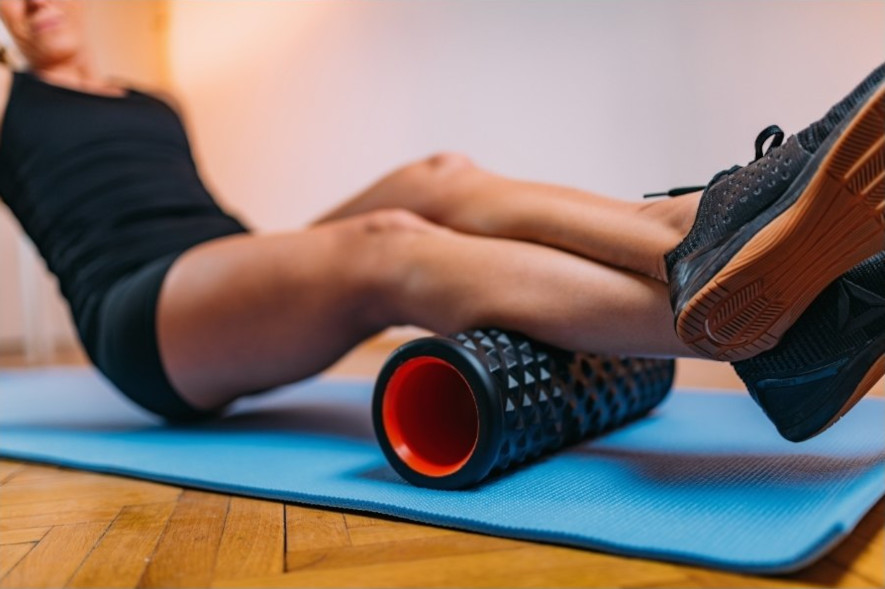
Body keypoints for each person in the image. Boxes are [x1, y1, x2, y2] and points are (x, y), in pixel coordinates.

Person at [0, 0, 882, 443]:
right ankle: (768, 311)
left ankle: (698, 233)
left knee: (437, 179)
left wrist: (274, 256)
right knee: (391, 252)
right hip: (142, 314)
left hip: (222, 259)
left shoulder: (153, 96)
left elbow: (206, 218)